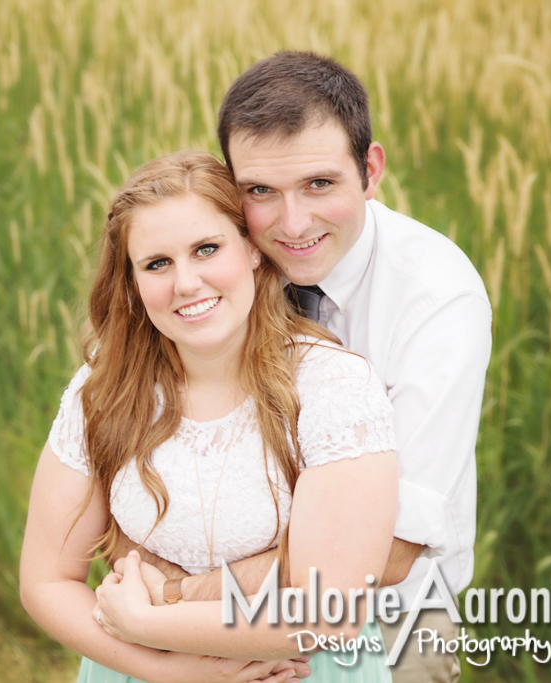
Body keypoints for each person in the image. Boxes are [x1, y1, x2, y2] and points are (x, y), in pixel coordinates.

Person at [116, 52, 491, 683]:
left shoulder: (437, 299)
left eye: (320, 184)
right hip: (199, 619)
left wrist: (177, 598)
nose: (292, 225)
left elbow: (392, 551)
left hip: (391, 621)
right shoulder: (215, 279)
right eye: (260, 191)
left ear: (370, 171)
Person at [20, 151, 398, 683]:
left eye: (206, 249)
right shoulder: (105, 388)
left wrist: (147, 621)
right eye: (157, 264)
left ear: (252, 251)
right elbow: (46, 581)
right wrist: (169, 669)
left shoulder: (331, 387)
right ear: (130, 282)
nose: (187, 283)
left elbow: (328, 613)